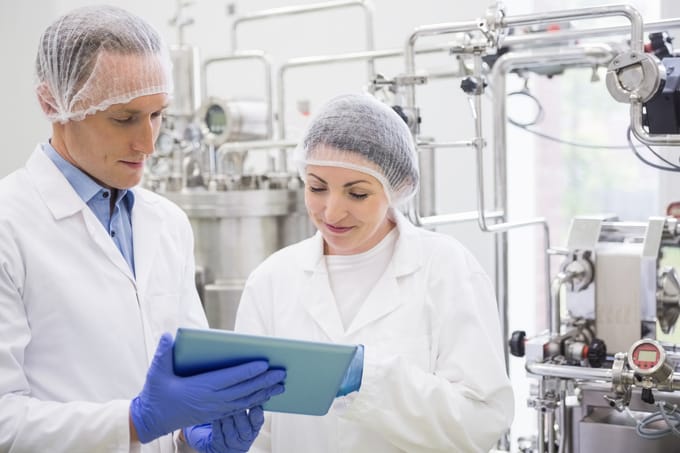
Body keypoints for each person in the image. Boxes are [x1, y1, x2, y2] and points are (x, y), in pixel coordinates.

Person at [0, 6, 285, 452]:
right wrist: (133, 421)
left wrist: (193, 438)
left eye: (157, 116)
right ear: (52, 103)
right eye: (124, 118)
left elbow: (186, 381)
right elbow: (4, 422)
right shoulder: (9, 225)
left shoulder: (167, 223)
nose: (148, 143)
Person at [234, 93, 514, 452]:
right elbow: (258, 429)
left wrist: (371, 379)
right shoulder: (272, 280)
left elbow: (482, 420)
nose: (332, 213)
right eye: (317, 187)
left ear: (394, 189)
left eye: (358, 194)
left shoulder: (445, 269)